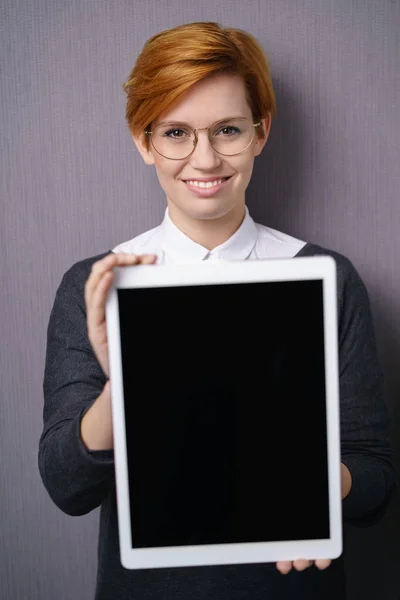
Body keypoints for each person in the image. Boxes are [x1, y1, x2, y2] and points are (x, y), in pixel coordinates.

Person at [39, 21, 396, 600]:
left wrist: (322, 488)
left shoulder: (327, 279)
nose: (204, 159)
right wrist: (125, 379)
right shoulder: (96, 286)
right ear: (142, 138)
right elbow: (66, 486)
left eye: (227, 129)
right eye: (176, 133)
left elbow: (375, 481)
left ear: (261, 133)